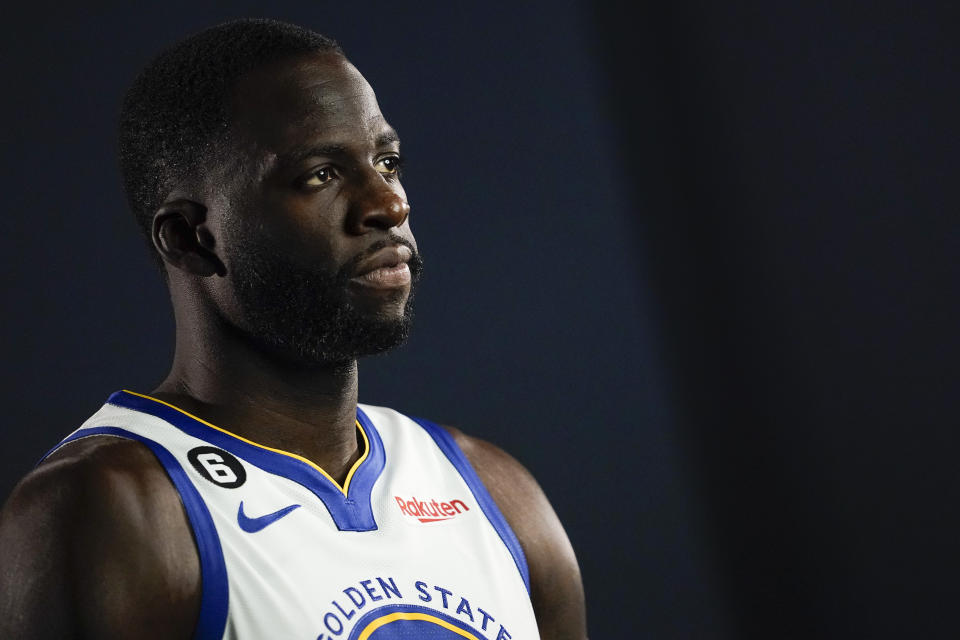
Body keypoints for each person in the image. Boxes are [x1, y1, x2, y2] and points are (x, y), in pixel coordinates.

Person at [0, 18, 586, 640]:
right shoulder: (113, 510)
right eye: (321, 175)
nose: (389, 205)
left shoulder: (496, 494)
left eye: (386, 161)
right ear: (192, 239)